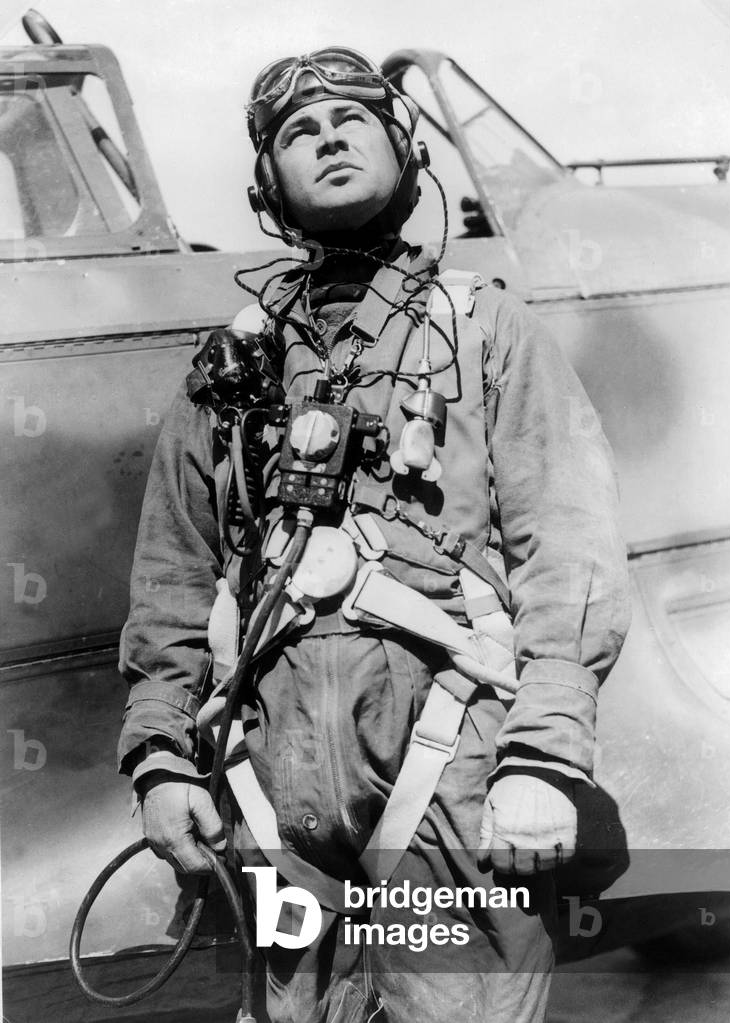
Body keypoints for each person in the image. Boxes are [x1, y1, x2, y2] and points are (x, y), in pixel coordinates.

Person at [117, 48, 631, 1023]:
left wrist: (544, 755)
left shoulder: (485, 332)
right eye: (299, 132)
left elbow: (571, 553)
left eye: (352, 119)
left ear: (404, 149)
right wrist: (162, 759)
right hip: (272, 782)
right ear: (269, 182)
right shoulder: (232, 364)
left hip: (447, 764)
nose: (328, 138)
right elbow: (176, 577)